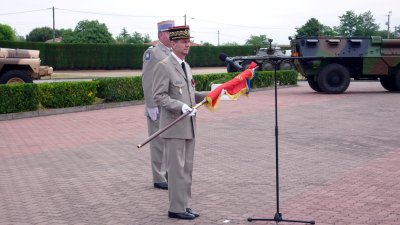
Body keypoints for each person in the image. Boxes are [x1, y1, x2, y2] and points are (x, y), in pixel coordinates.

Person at [152, 25, 207, 220]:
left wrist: (212, 94)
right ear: (173, 44)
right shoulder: (164, 65)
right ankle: (176, 208)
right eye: (183, 42)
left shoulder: (186, 66)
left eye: (188, 41)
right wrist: (179, 106)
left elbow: (191, 95)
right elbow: (158, 96)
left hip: (189, 127)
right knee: (176, 171)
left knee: (187, 169)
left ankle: (185, 205)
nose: (187, 45)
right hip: (174, 127)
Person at [141, 20, 175, 190]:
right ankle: (158, 177)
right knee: (158, 142)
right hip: (157, 104)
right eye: (169, 32)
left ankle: (168, 174)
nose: (172, 35)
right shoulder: (153, 53)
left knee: (169, 141)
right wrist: (150, 105)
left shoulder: (171, 52)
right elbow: (147, 79)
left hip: (169, 104)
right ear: (160, 35)